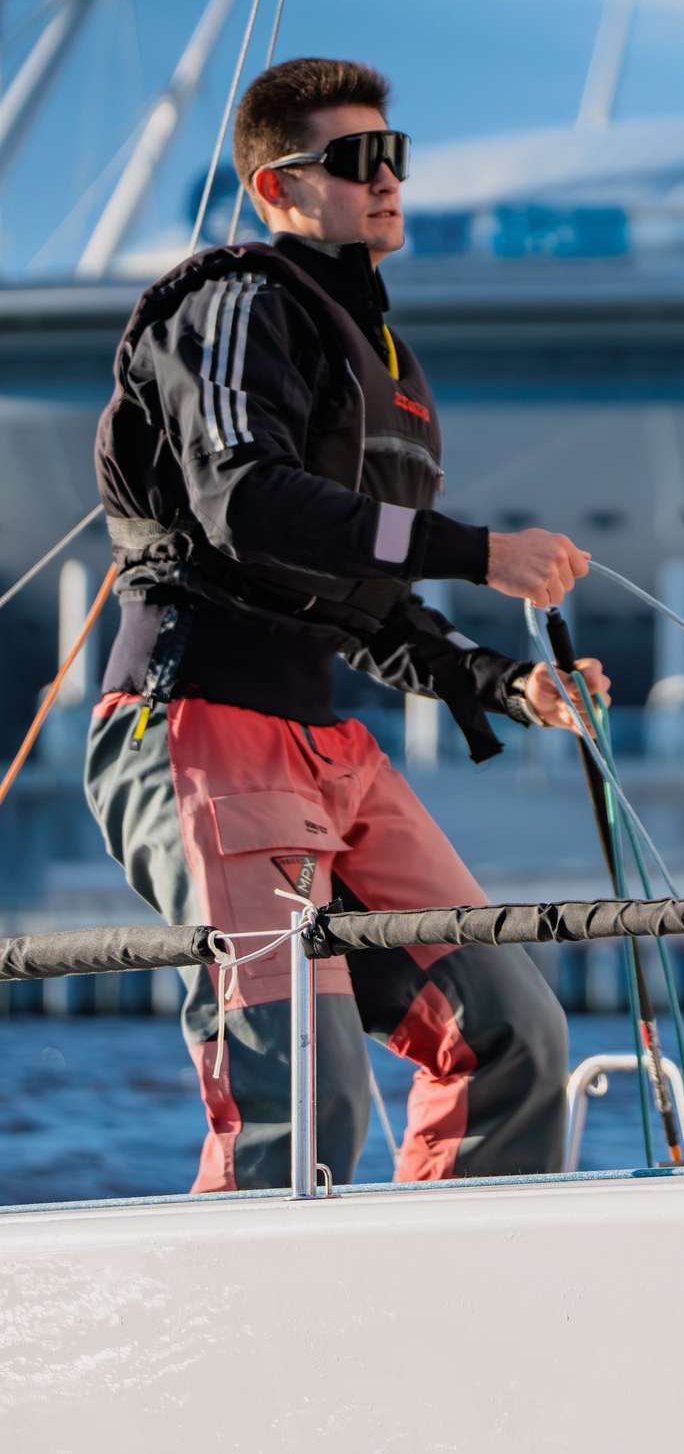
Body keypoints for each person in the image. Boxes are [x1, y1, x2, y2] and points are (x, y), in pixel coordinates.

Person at [88, 58, 594, 1191]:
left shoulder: (382, 359)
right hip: (201, 722)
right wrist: (479, 550)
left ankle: (447, 1313)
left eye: (395, 155)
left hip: (325, 747)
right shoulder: (236, 302)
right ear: (275, 190)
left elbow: (360, 601)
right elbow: (244, 499)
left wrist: (508, 684)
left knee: (514, 1034)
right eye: (355, 160)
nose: (386, 179)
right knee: (301, 1089)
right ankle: (252, 1347)